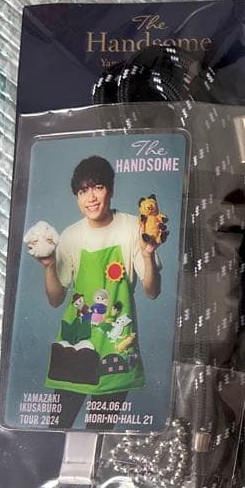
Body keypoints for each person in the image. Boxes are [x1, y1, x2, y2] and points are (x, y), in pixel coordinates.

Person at [33, 155, 162, 429]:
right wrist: (49, 266)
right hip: (75, 346)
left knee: (98, 432)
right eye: (83, 191)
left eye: (98, 188)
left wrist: (147, 254)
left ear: (110, 190)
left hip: (116, 345)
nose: (90, 198)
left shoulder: (132, 227)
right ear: (77, 197)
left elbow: (152, 291)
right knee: (57, 428)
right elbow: (55, 299)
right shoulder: (70, 235)